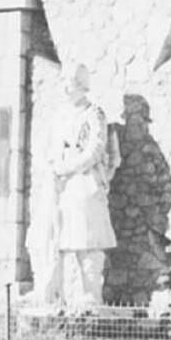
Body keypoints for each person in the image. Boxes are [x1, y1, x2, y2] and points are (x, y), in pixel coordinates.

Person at [38, 65, 117, 312]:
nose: (66, 87)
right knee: (54, 239)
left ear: (82, 84)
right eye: (63, 81)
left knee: (88, 241)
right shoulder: (59, 115)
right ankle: (53, 293)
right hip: (59, 186)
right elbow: (48, 147)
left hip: (84, 182)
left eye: (70, 82)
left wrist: (68, 167)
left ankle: (91, 295)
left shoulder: (94, 113)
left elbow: (96, 149)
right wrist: (54, 167)